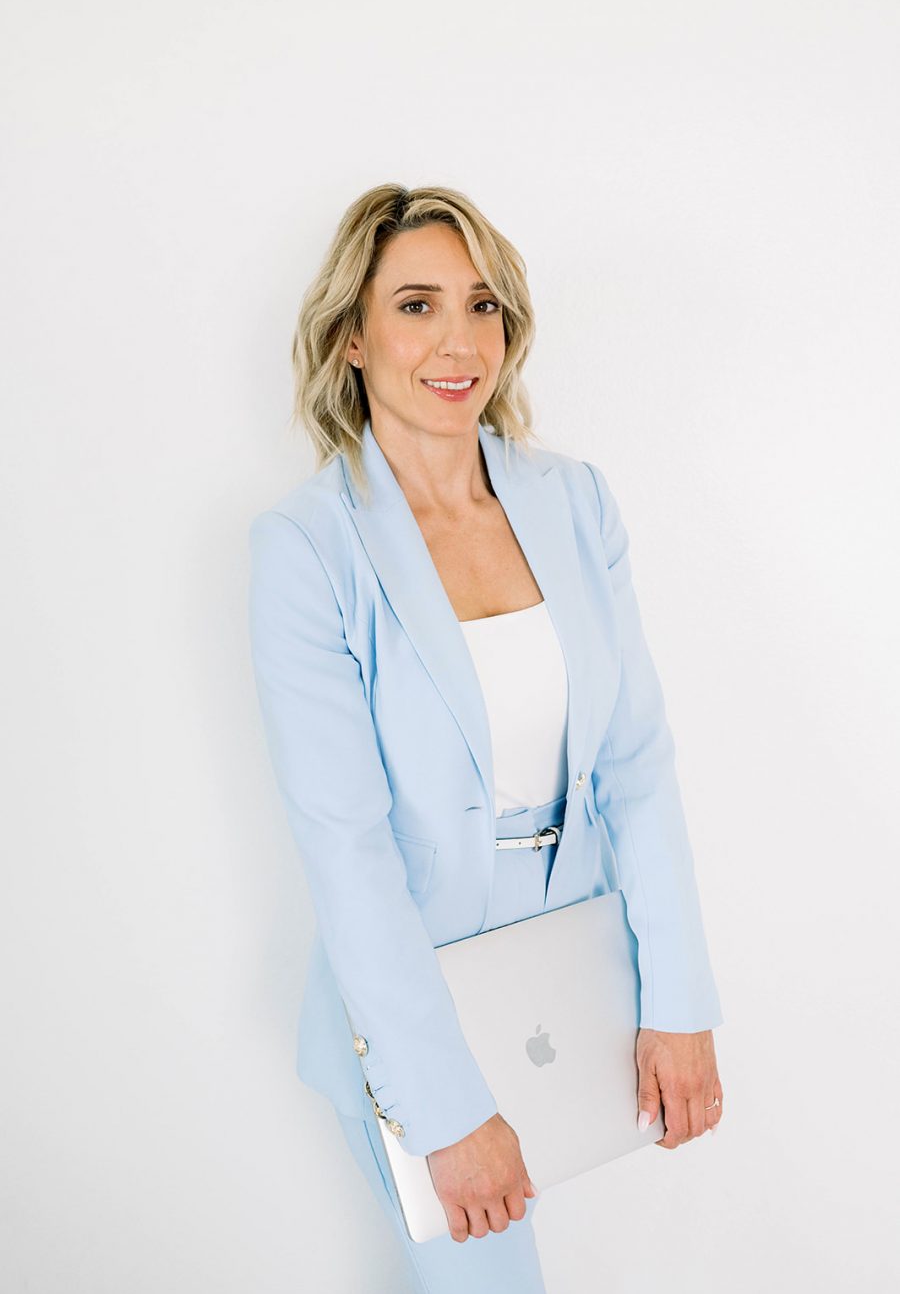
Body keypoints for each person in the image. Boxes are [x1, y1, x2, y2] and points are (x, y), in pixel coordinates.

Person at [247, 183, 725, 1292]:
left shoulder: (574, 500)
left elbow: (636, 767)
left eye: (483, 306)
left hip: (579, 981)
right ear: (352, 337)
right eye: (416, 305)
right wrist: (447, 1104)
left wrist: (679, 996)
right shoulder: (308, 548)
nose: (459, 343)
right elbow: (345, 846)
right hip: (418, 1004)